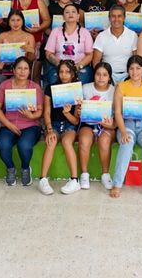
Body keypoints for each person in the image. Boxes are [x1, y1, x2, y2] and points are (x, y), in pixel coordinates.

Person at [111, 55, 142, 199]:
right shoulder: (121, 87)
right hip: (127, 124)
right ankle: (117, 184)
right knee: (126, 144)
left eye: (138, 68)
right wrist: (123, 131)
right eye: (131, 69)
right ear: (128, 70)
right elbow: (117, 112)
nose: (135, 72)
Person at [0, 57, 43, 186]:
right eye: (19, 68)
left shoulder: (35, 87)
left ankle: (25, 168)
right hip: (9, 124)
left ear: (29, 71)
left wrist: (31, 116)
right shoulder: (5, 85)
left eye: (26, 68)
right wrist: (8, 124)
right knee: (2, 145)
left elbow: (40, 111)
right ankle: (10, 168)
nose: (22, 71)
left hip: (30, 125)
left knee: (24, 145)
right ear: (14, 70)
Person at [38, 60, 82, 195]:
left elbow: (76, 121)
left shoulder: (77, 90)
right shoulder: (50, 88)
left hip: (69, 125)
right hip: (53, 124)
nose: (64, 75)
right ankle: (43, 179)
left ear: (73, 74)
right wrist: (49, 129)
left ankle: (74, 180)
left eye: (67, 72)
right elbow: (46, 112)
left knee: (67, 142)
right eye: (61, 72)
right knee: (51, 141)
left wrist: (67, 113)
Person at [77, 62, 116, 190]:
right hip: (88, 124)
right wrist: (78, 111)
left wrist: (112, 125)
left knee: (104, 141)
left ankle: (105, 174)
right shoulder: (85, 88)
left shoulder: (114, 91)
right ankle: (84, 174)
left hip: (107, 126)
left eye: (105, 75)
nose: (101, 78)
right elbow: (77, 110)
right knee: (84, 140)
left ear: (109, 77)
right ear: (94, 75)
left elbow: (118, 115)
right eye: (98, 74)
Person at [44, 3, 93, 86]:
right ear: (63, 17)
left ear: (78, 16)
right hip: (58, 67)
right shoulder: (55, 31)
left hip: (79, 67)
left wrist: (77, 67)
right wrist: (60, 65)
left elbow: (90, 54)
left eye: (73, 12)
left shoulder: (85, 32)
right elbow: (48, 53)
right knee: (54, 79)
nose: (70, 14)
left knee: (81, 81)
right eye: (67, 12)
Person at [91, 5, 138, 83]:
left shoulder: (132, 35)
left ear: (124, 18)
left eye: (119, 16)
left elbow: (136, 60)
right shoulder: (101, 36)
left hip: (128, 75)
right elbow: (96, 62)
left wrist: (132, 75)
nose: (116, 19)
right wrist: (103, 77)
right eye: (113, 16)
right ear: (109, 18)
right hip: (107, 76)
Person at [0, 10, 36, 88]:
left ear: (23, 21)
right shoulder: (2, 36)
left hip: (22, 71)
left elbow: (30, 61)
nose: (16, 23)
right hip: (5, 71)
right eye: (12, 20)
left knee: (17, 82)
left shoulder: (29, 37)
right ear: (8, 22)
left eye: (18, 20)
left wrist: (31, 51)